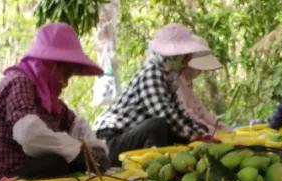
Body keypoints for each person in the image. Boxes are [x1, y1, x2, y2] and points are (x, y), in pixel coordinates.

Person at [0, 23, 108, 181]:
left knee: (63, 164)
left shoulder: (48, 99)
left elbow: (77, 124)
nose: (65, 83)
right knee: (56, 162)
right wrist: (77, 151)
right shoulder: (19, 82)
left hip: (29, 179)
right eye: (65, 74)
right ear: (51, 66)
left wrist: (95, 148)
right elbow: (29, 135)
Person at [94, 24, 226, 159]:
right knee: (159, 125)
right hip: (110, 140)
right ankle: (151, 165)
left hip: (127, 136)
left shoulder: (168, 78)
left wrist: (204, 134)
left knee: (172, 131)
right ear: (175, 55)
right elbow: (166, 115)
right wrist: (194, 137)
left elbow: (180, 114)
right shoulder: (151, 73)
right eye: (186, 55)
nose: (187, 60)